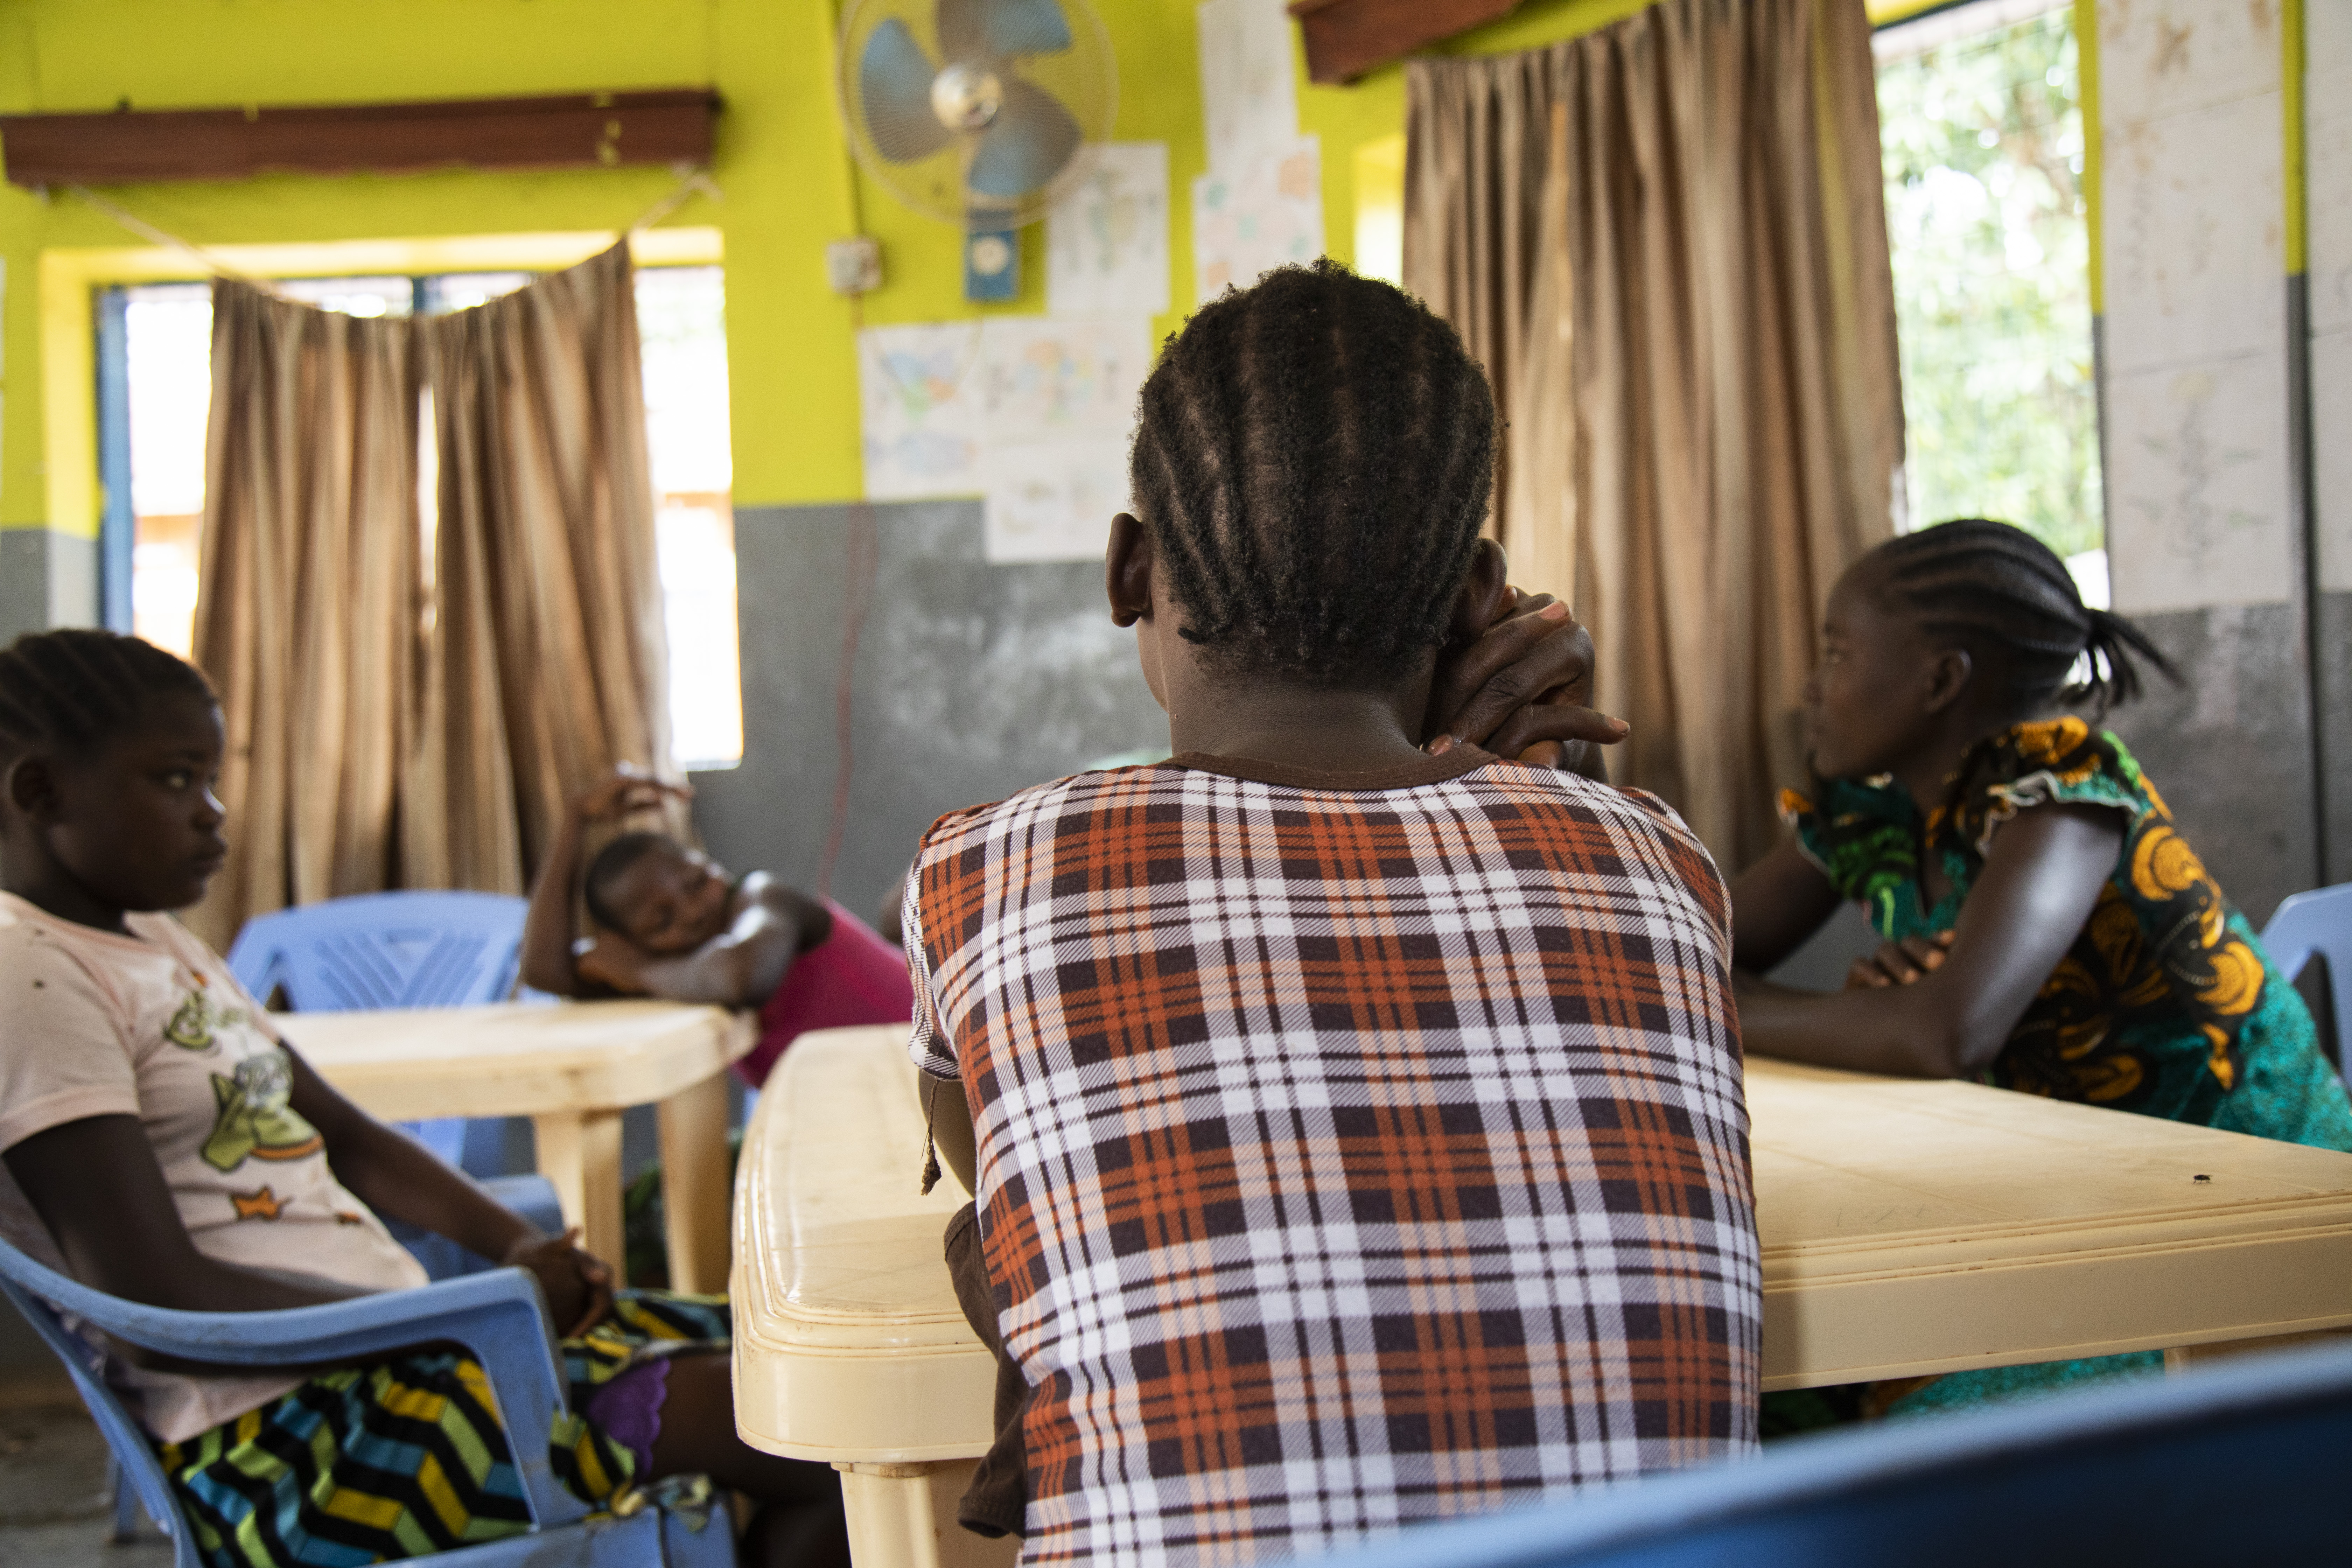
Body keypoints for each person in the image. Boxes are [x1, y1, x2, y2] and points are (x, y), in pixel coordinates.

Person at [902, 260, 1760, 1564]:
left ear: (1129, 568)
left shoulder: (986, 869)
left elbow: (993, 1153)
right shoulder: (1657, 858)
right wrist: (1480, 763)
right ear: (1477, 595)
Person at [0, 629, 848, 1568]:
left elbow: (350, 1139)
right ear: (40, 795)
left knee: (819, 1363)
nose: (213, 814)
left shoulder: (150, 939)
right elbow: (147, 1297)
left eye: (212, 779)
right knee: (820, 1429)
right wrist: (465, 1315)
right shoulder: (28, 977)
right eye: (175, 781)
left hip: (385, 1364)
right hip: (295, 1448)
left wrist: (515, 1249)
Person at [1731, 518, 2352, 1421]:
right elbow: (1696, 947)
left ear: (1942, 680)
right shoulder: (1877, 813)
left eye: (1836, 656)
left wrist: (1739, 1010)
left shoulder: (2066, 795)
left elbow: (1944, 1030)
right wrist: (1813, 1003)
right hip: (2080, 1196)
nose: (1811, 689)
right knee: (1772, 1388)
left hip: (2262, 1216)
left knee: (1911, 1425)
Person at [518, 769, 912, 1092]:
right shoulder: (680, 973)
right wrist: (574, 818)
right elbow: (544, 969)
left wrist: (637, 970)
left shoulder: (767, 898)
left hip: (944, 1076)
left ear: (712, 865)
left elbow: (741, 976)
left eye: (696, 882)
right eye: (662, 921)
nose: (693, 913)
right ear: (635, 944)